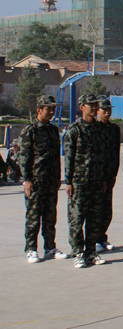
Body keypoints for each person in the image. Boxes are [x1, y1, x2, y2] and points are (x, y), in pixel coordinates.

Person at [20, 95, 68, 263]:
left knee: (50, 217)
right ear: (38, 110)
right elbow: (24, 157)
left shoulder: (53, 130)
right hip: (35, 181)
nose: (52, 112)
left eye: (53, 109)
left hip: (50, 181)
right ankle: (31, 249)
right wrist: (26, 179)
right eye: (48, 109)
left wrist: (58, 178)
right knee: (33, 217)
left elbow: (56, 157)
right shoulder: (30, 131)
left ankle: (50, 248)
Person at [64, 94, 107, 268]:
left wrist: (103, 178)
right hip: (79, 182)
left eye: (96, 105)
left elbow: (103, 156)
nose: (94, 108)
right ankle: (78, 253)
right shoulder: (74, 130)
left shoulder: (99, 129)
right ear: (82, 107)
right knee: (77, 218)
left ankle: (91, 252)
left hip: (96, 181)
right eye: (91, 105)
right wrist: (68, 181)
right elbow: (69, 157)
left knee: (94, 218)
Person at [95, 96, 121, 253]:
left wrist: (113, 174)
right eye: (104, 109)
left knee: (106, 211)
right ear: (97, 111)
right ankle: (94, 240)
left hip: (110, 175)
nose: (107, 112)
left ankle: (102, 237)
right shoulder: (94, 129)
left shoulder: (113, 129)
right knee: (96, 210)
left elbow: (115, 153)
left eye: (109, 109)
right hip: (97, 176)